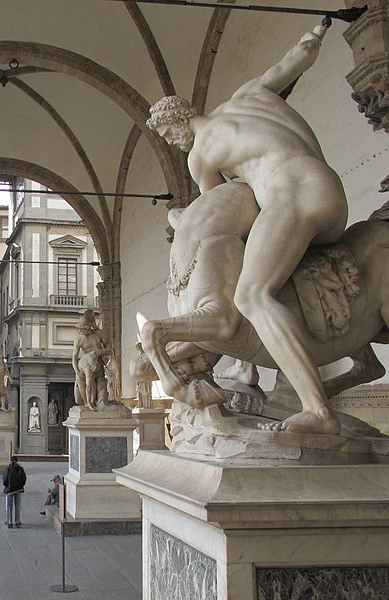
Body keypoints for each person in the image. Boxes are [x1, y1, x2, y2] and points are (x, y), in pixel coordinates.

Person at [146, 20, 344, 435]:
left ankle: (317, 410)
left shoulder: (199, 155)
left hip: (288, 194)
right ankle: (252, 368)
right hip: (325, 185)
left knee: (251, 293)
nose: (172, 140)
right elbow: (298, 58)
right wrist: (318, 32)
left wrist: (179, 220)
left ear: (180, 119)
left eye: (167, 132)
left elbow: (224, 211)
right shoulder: (245, 96)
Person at [72, 310, 110, 410]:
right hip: (85, 363)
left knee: (95, 382)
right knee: (82, 382)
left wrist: (107, 360)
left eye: (81, 329)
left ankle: (94, 403)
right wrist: (76, 370)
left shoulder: (98, 334)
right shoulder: (79, 339)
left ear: (87, 328)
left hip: (97, 362)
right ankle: (86, 403)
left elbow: (108, 348)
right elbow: (74, 357)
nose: (79, 331)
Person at [2, 455, 26, 528]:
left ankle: (9, 521)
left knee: (9, 505)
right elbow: (24, 479)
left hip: (10, 489)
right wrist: (21, 485)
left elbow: (5, 479)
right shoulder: (20, 469)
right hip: (18, 489)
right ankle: (17, 521)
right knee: (18, 505)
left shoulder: (8, 468)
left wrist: (6, 485)